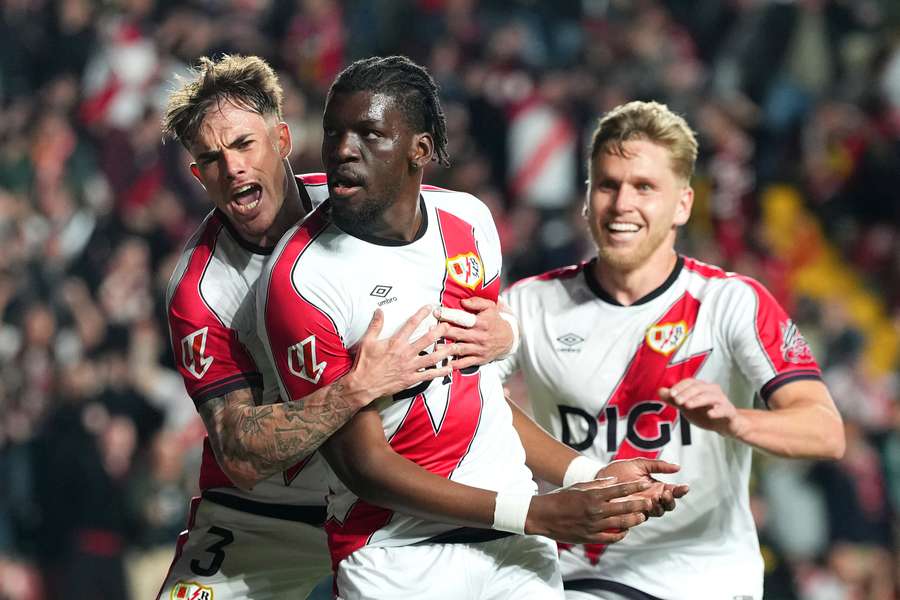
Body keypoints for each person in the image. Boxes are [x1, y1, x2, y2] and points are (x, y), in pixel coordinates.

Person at [258, 56, 688, 600]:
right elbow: (361, 465)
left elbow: (482, 397)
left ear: (419, 149)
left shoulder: (470, 222)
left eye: (369, 133)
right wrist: (535, 513)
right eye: (334, 132)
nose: (343, 149)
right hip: (396, 557)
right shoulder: (301, 278)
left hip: (515, 548)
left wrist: (588, 476)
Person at [496, 100, 846, 600]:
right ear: (587, 198)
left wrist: (736, 421)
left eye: (644, 187)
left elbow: (826, 430)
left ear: (683, 204)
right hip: (581, 573)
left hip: (706, 578)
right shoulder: (528, 304)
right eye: (608, 185)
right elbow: (470, 399)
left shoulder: (732, 303)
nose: (622, 204)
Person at [159, 54, 474, 600]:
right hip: (261, 519)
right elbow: (239, 454)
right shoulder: (200, 290)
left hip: (377, 502)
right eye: (210, 158)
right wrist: (356, 388)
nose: (232, 168)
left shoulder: (359, 206)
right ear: (198, 176)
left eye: (243, 144)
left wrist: (501, 329)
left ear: (282, 139)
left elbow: (449, 254)